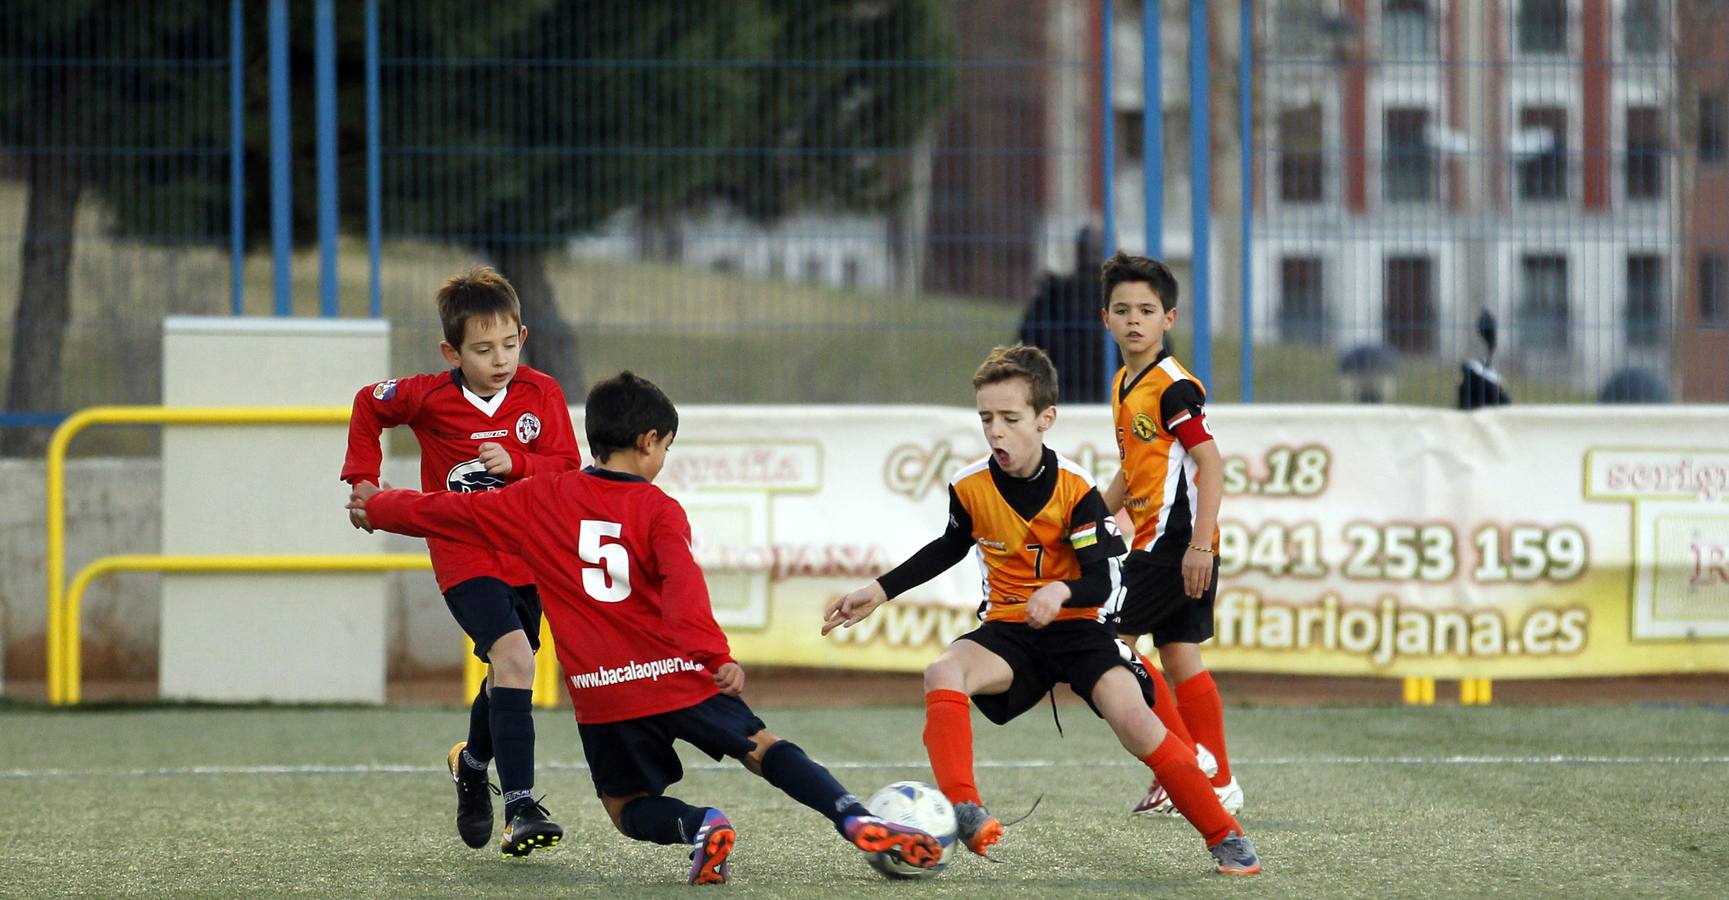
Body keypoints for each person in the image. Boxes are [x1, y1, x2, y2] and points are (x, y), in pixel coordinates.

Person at [346, 371, 944, 885]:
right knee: (761, 748)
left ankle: (700, 823)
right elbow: (684, 586)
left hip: (607, 697)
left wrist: (377, 505)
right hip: (678, 674)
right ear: (649, 441)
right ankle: (852, 816)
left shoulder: (541, 497)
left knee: (625, 806)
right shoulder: (659, 509)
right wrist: (713, 655)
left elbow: (448, 512)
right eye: (667, 447)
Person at [823, 344, 1260, 876]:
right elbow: (950, 545)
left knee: (1137, 724)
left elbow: (1100, 578)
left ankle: (1225, 835)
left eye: (1010, 418)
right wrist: (881, 589)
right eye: (987, 418)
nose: (996, 431)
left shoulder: (1075, 489)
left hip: (1081, 629)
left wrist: (1061, 593)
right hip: (1011, 629)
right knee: (944, 670)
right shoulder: (969, 486)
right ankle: (965, 807)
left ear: (1045, 418)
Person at [341, 265, 583, 856]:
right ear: (452, 351)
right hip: (464, 557)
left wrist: (520, 465)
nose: (499, 358)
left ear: (522, 338)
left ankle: (472, 765)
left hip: (529, 558)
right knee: (516, 660)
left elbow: (568, 469)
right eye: (482, 348)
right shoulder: (427, 396)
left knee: (511, 670)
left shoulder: (541, 394)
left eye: (508, 344)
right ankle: (520, 806)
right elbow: (367, 405)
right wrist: (362, 480)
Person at [1095, 252, 1243, 817]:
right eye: (1123, 309)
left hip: (1170, 550)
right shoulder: (1124, 383)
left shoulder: (1173, 387)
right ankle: (1219, 779)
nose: (1134, 320)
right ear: (1104, 318)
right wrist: (1096, 518)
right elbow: (1133, 467)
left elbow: (1211, 462)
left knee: (1111, 641)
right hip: (1161, 546)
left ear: (1169, 320)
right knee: (1179, 657)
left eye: (1147, 310)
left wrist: (1201, 545)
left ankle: (1186, 763)